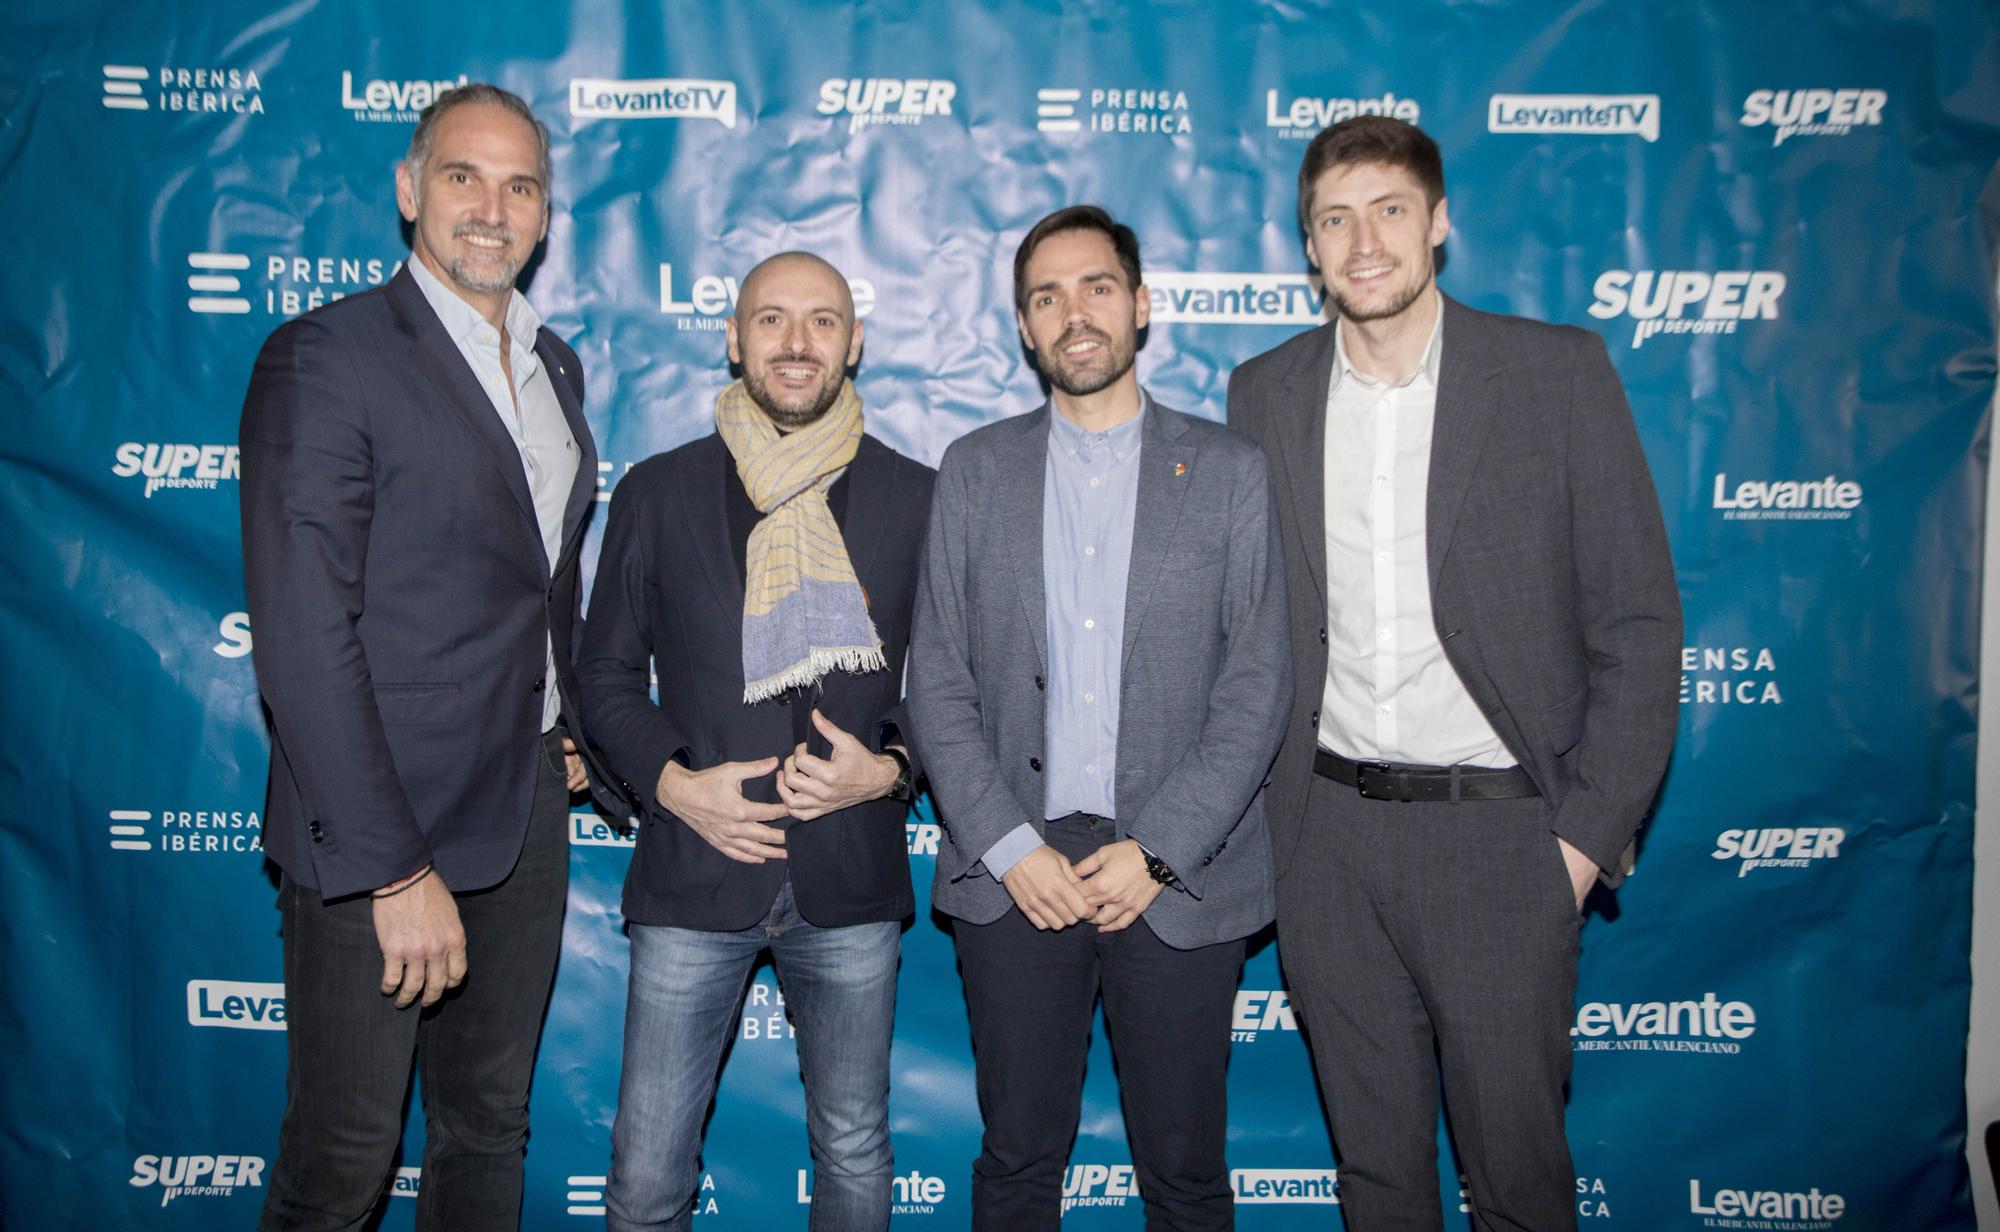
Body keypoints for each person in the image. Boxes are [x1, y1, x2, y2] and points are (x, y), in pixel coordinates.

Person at [1227, 116, 1682, 1232]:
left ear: (1438, 223)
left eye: (1388, 209)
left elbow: (1636, 622)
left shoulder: (1551, 372)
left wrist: (1574, 849)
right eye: (1332, 219)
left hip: (1501, 841)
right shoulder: (1264, 391)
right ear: (1307, 247)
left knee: (1515, 1178)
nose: (1362, 240)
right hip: (1324, 840)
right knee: (1377, 1176)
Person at [239, 83, 608, 1230]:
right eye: (463, 176)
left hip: (521, 811)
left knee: (487, 1128)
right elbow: (302, 633)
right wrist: (390, 870)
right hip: (378, 831)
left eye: (520, 186)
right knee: (344, 1158)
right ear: (409, 190)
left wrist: (566, 727)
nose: (491, 208)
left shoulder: (558, 369)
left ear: (545, 215)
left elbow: (537, 578)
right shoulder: (326, 356)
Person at [907, 205, 1291, 1230]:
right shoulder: (974, 469)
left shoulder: (1228, 471)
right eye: (1045, 296)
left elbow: (1256, 681)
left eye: (1095, 287)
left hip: (1173, 869)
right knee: (1018, 1161)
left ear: (1141, 304)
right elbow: (935, 676)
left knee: (1183, 1171)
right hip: (1015, 867)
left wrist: (1156, 848)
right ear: (1024, 330)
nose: (1072, 313)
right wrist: (1004, 843)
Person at [579, 251, 933, 1232]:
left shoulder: (915, 497)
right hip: (694, 872)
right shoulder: (657, 491)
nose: (795, 341)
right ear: (732, 338)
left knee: (854, 1151)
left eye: (821, 320)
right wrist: (670, 783)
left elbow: (953, 684)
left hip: (850, 883)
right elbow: (600, 674)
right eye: (770, 319)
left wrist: (892, 766)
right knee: (648, 1170)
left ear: (853, 342)